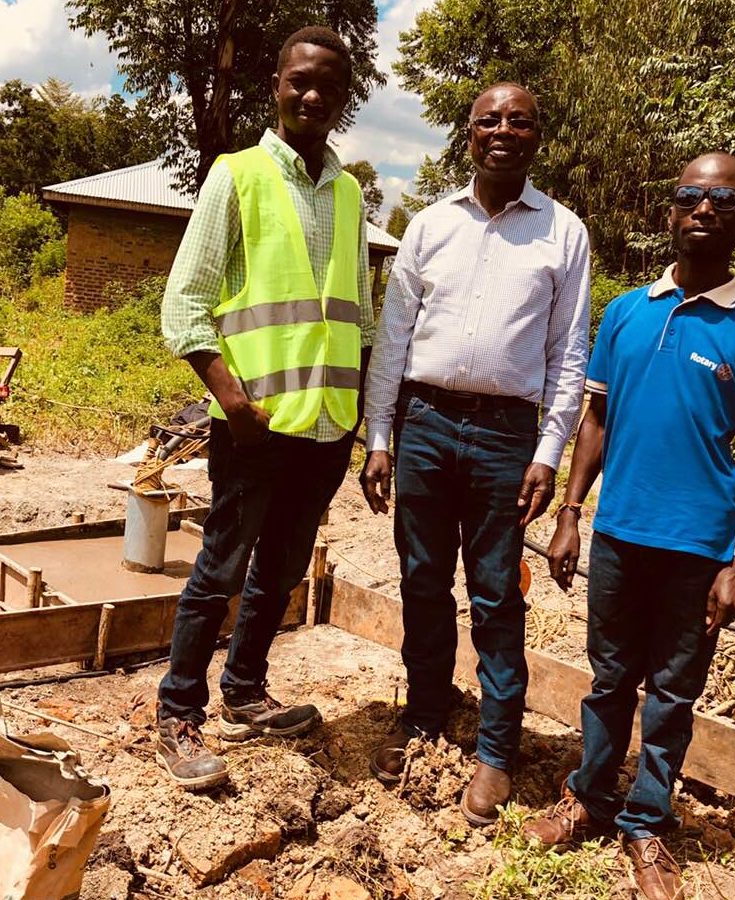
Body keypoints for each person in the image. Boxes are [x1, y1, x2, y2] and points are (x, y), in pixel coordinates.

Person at [524, 152, 735, 900]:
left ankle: (647, 823)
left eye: (722, 200)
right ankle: (588, 799)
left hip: (699, 546)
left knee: (672, 692)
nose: (704, 209)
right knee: (608, 679)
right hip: (620, 535)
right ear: (671, 212)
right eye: (690, 196)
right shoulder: (627, 312)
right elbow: (595, 419)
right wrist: (571, 513)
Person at [361, 82, 591, 826]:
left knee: (496, 594)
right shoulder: (431, 225)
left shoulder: (564, 233)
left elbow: (568, 353)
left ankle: (496, 751)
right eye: (488, 120)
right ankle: (424, 718)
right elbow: (394, 337)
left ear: (535, 137)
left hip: (505, 436)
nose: (502, 131)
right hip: (425, 424)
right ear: (468, 135)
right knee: (422, 582)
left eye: (518, 121)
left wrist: (549, 451)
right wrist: (380, 436)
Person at [156, 26, 374, 791]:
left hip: (327, 426)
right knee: (221, 566)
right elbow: (184, 304)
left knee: (281, 567)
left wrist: (358, 414)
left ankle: (245, 692)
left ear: (343, 99)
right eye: (298, 80)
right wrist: (232, 401)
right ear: (276, 85)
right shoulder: (237, 175)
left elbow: (360, 316)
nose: (312, 95)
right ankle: (178, 713)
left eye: (328, 86)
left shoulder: (349, 193)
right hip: (254, 427)